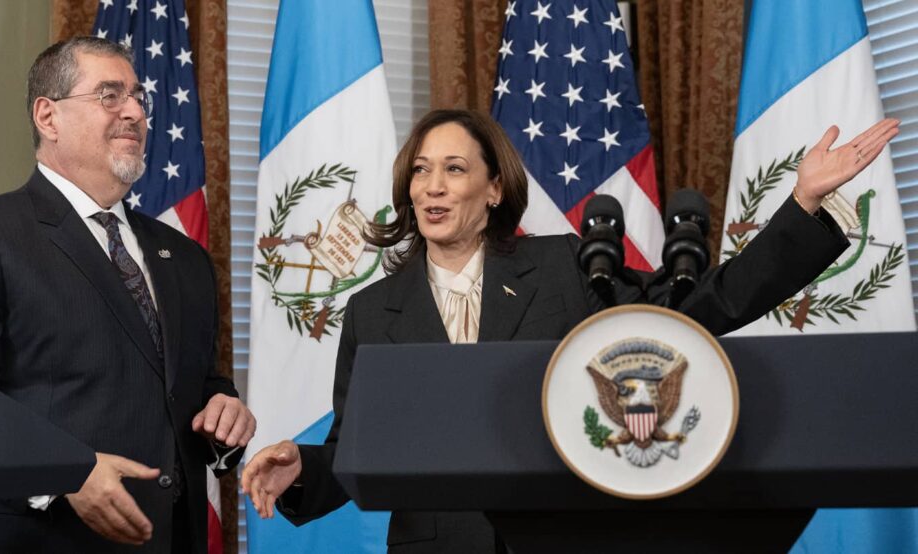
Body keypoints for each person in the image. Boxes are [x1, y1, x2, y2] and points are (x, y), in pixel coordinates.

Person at [240, 109, 898, 553]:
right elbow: (361, 454)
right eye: (419, 169)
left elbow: (699, 310)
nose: (431, 186)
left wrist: (803, 204)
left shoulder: (567, 267)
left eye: (454, 168)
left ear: (494, 189)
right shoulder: (372, 310)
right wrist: (303, 469)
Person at [0, 37, 255, 553]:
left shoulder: (184, 258)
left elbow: (197, 385)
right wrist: (64, 473)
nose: (134, 110)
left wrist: (224, 413)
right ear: (48, 117)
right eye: (109, 95)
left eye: (138, 97)